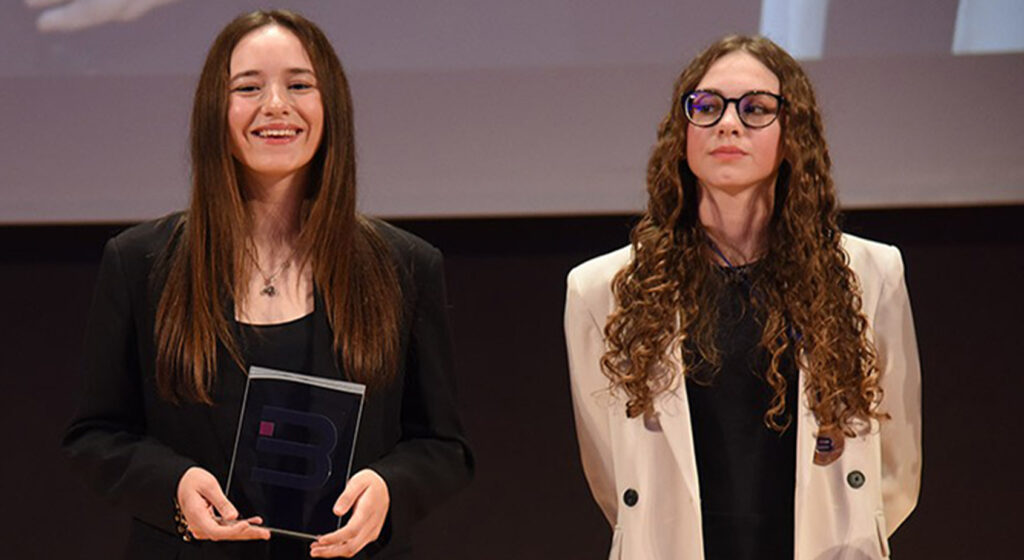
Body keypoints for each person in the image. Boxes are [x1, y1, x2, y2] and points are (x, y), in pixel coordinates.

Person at [62, 10, 472, 559]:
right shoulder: (142, 262)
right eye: (248, 87)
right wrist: (175, 486)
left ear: (331, 108)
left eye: (299, 85)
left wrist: (390, 488)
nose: (276, 105)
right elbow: (95, 436)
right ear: (216, 110)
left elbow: (444, 447)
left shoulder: (403, 266)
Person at [564, 35, 920, 560]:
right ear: (682, 133)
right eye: (706, 107)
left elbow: (896, 460)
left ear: (791, 133)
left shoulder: (869, 275)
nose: (728, 123)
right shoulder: (603, 290)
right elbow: (613, 474)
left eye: (755, 108)